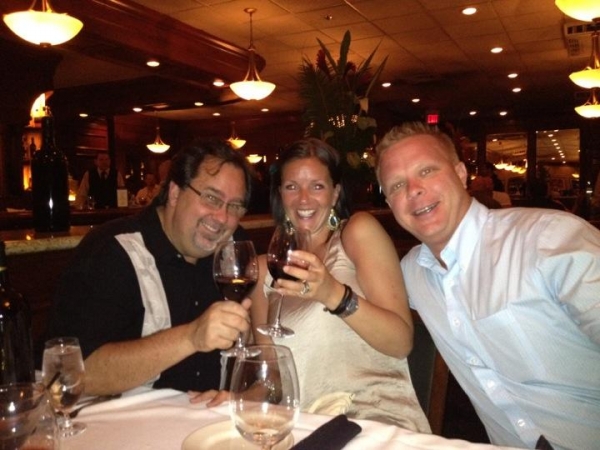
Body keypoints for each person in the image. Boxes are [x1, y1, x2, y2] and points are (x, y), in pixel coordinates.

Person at [375, 122, 600, 450]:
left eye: (427, 171)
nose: (413, 190)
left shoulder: (549, 240)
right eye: (397, 185)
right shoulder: (411, 272)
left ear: (461, 174)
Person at [192, 138, 430, 432]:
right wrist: (238, 399)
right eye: (292, 187)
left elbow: (401, 343)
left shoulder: (356, 233)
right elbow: (273, 379)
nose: (303, 199)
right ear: (280, 194)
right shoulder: (264, 270)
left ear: (335, 193)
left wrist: (333, 295)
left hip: (371, 420)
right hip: (302, 426)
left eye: (317, 186)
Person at [45, 139, 255, 396]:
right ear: (175, 193)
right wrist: (191, 337)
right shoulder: (113, 250)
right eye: (212, 198)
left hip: (210, 417)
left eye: (235, 206)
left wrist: (238, 395)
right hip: (123, 419)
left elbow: (257, 355)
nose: (222, 217)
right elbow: (72, 374)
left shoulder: (234, 249)